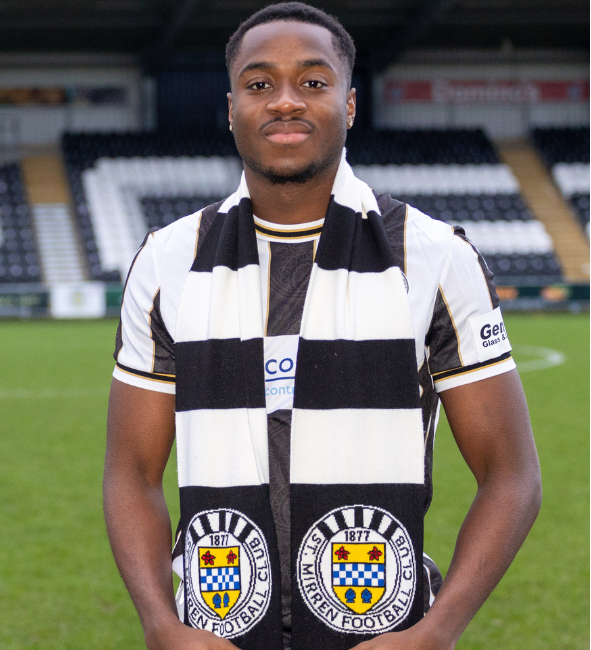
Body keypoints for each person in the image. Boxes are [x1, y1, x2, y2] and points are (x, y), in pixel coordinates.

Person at [101, 3, 543, 649]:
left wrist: (437, 631)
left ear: (350, 104)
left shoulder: (435, 255)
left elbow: (511, 473)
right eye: (259, 84)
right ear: (230, 108)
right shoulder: (167, 259)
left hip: (383, 633)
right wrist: (160, 623)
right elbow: (130, 471)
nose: (285, 102)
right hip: (217, 634)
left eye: (312, 81)